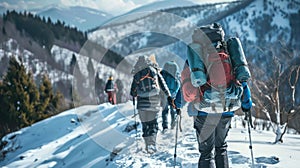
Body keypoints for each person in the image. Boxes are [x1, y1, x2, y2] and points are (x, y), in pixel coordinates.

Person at [182, 22, 252, 168]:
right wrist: (247, 104)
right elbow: (242, 81)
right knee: (221, 148)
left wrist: (177, 103)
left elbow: (187, 84)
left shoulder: (196, 55)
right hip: (227, 108)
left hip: (204, 110)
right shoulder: (228, 52)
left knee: (206, 152)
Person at [130, 55, 176, 154]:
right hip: (154, 103)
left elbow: (132, 92)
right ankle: (152, 144)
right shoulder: (154, 70)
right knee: (153, 124)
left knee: (145, 125)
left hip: (141, 105)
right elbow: (163, 84)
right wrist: (168, 96)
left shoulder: (136, 74)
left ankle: (147, 145)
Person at [160, 61, 182, 132]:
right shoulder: (176, 71)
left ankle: (165, 127)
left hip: (165, 94)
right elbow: (179, 83)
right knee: (173, 110)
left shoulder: (163, 72)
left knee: (165, 111)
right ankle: (173, 125)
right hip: (173, 94)